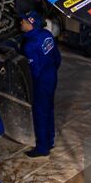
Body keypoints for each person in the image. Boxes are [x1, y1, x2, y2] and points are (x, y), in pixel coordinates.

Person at [20, 11, 61, 157]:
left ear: (31, 24)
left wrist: (29, 87)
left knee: (40, 114)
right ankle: (49, 140)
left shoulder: (30, 46)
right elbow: (57, 57)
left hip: (41, 82)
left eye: (24, 22)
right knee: (49, 109)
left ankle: (42, 148)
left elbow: (34, 71)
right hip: (51, 76)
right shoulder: (47, 34)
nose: (21, 23)